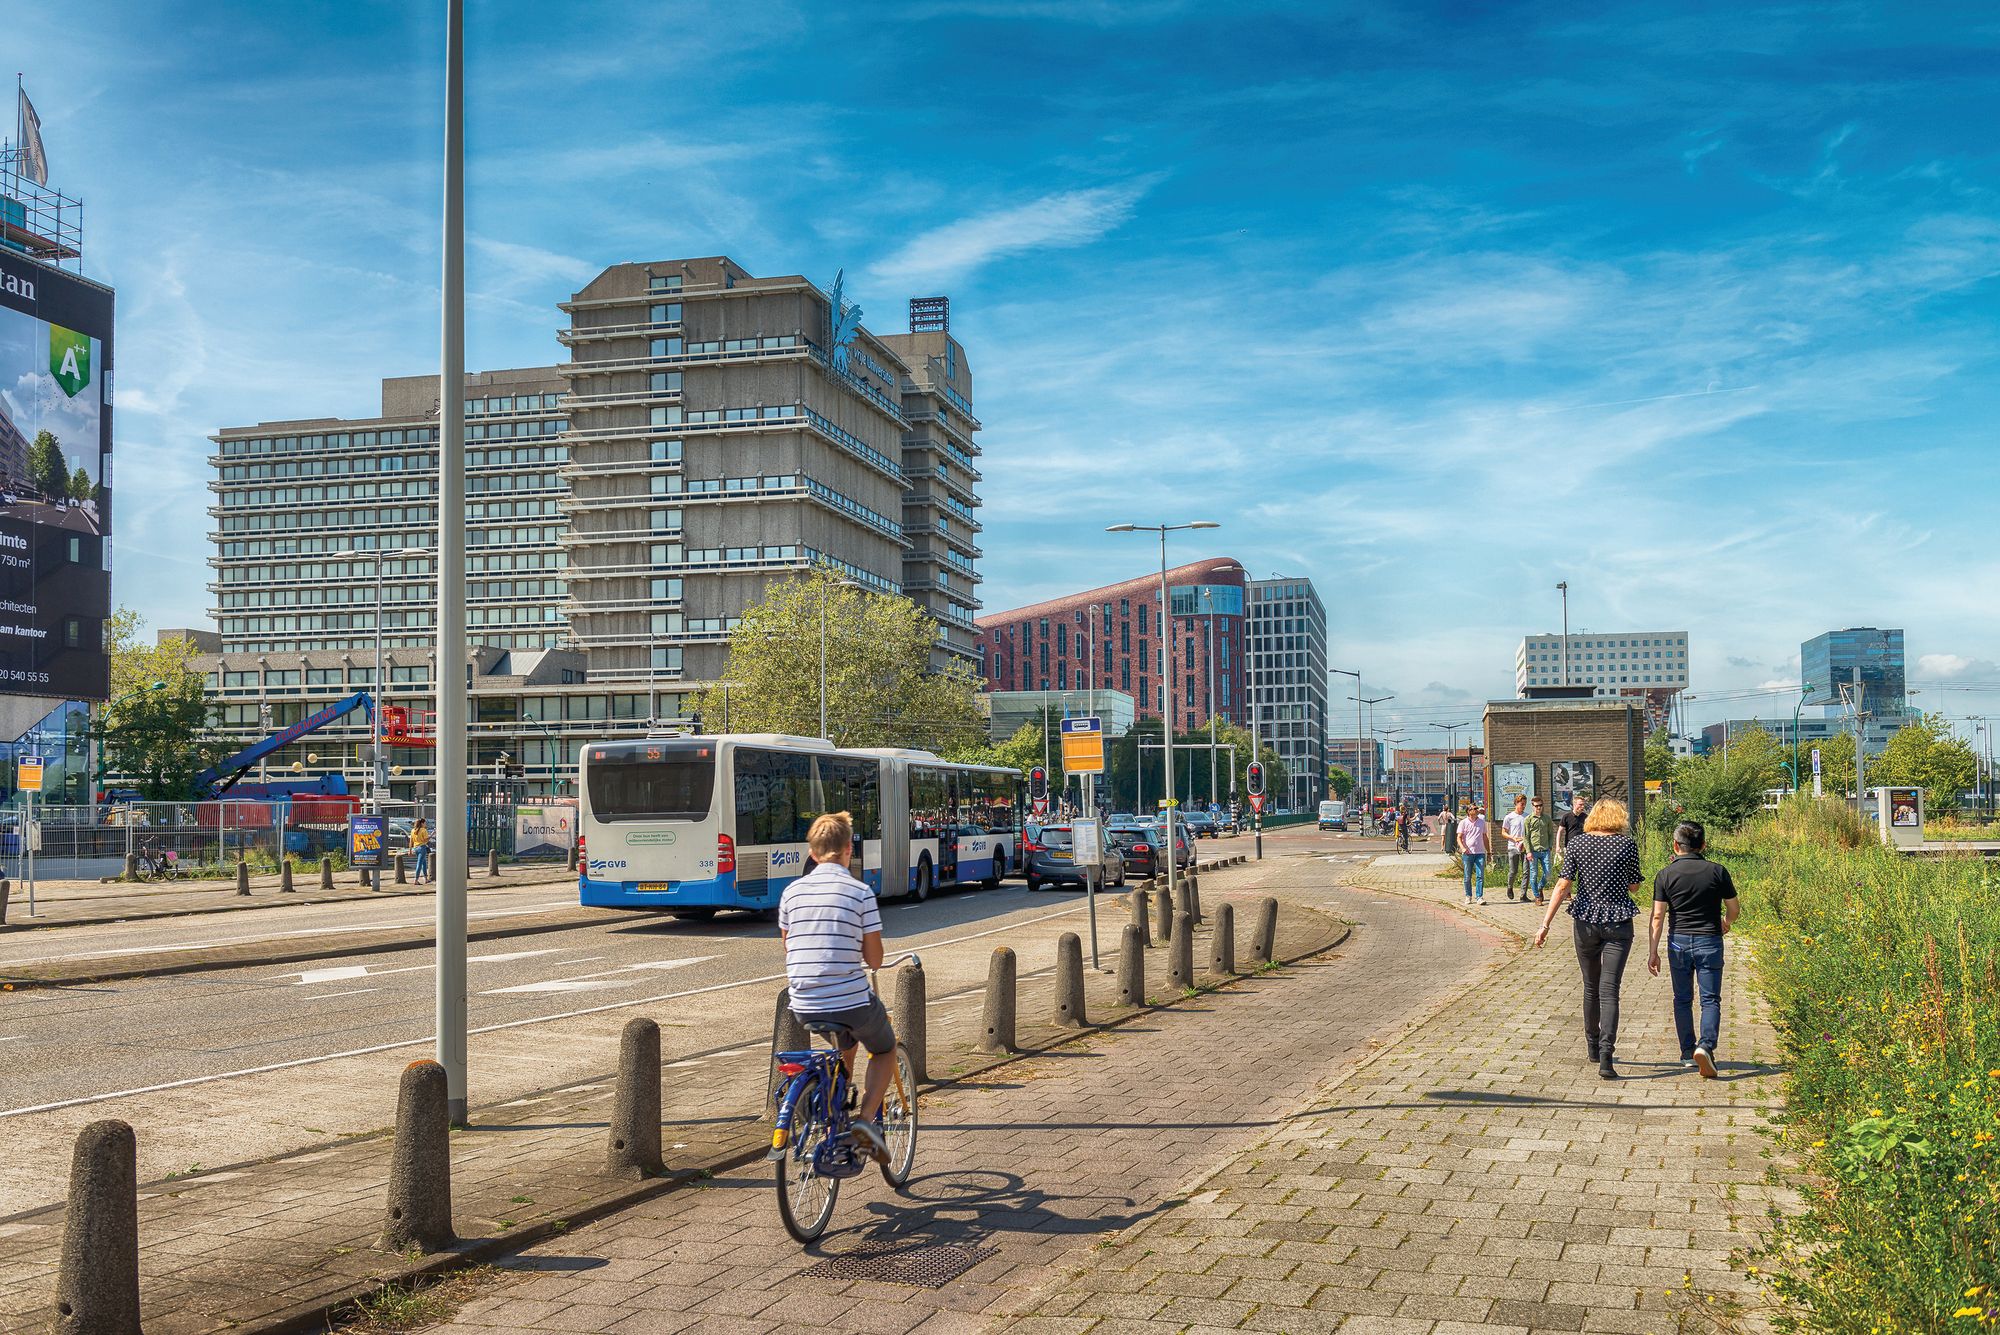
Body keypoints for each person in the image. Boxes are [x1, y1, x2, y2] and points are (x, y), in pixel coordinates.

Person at [777, 810, 896, 1163]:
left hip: (802, 1003)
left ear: (812, 853)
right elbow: (874, 960)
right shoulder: (860, 893)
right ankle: (864, 1123)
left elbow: (787, 944)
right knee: (885, 1047)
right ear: (848, 849)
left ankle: (831, 1111)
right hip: (849, 1001)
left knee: (844, 1040)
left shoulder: (791, 892)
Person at [1533, 798, 1643, 1079]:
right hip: (1618, 922)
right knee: (1610, 990)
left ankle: (1592, 1047)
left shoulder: (1578, 844)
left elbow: (1563, 885)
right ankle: (1607, 1056)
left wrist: (1545, 925)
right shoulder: (1627, 845)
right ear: (1619, 818)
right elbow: (1634, 886)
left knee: (1590, 986)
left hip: (1585, 923)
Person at [1648, 820, 1740, 1078]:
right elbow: (1734, 908)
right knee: (1710, 999)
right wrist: (1726, 923)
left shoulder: (1665, 875)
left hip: (1678, 942)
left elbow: (1657, 916)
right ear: (1703, 845)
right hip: (1709, 940)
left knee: (1682, 998)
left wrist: (1653, 951)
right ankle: (1706, 1046)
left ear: (1675, 845)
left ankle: (1688, 1052)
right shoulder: (1717, 871)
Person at [1457, 803, 1489, 905]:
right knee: (1467, 876)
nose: (1476, 810)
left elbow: (1485, 837)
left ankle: (1479, 897)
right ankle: (1468, 896)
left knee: (1480, 876)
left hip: (1480, 852)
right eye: (1473, 809)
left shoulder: (1481, 822)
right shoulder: (1463, 823)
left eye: (1476, 809)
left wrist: (1488, 851)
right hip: (1468, 853)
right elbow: (1459, 837)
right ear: (1468, 811)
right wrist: (1462, 848)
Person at [1524, 797, 1554, 904]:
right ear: (1532, 806)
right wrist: (1528, 851)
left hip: (1545, 850)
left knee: (1548, 873)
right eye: (1536, 806)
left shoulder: (1547, 818)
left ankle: (1540, 887)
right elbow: (1526, 837)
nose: (1538, 808)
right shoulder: (1528, 819)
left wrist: (1550, 846)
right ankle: (1537, 896)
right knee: (1534, 874)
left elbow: (1551, 834)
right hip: (1533, 851)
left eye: (1540, 805)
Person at [1501, 795, 1529, 900]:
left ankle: (1523, 894)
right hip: (1513, 846)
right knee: (1513, 870)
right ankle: (1510, 887)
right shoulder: (1509, 817)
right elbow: (1503, 832)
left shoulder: (1527, 816)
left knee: (1526, 871)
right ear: (1516, 803)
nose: (1523, 806)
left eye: (1525, 804)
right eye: (1522, 804)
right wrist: (1512, 837)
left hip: (1525, 847)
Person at [1554, 792, 1589, 872]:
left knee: (1582, 869)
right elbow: (1560, 831)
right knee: (1569, 869)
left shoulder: (1586, 817)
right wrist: (1557, 846)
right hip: (1569, 847)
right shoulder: (1566, 817)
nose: (1582, 807)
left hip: (1583, 847)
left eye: (1583, 805)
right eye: (1580, 804)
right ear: (1574, 805)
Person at [409, 817, 432, 883]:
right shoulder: (423, 830)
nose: (425, 824)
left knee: (424, 863)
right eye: (425, 823)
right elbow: (426, 840)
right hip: (422, 848)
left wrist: (410, 850)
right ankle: (416, 880)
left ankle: (426, 879)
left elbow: (411, 841)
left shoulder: (413, 830)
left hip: (415, 848)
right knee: (419, 864)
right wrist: (432, 835)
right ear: (422, 823)